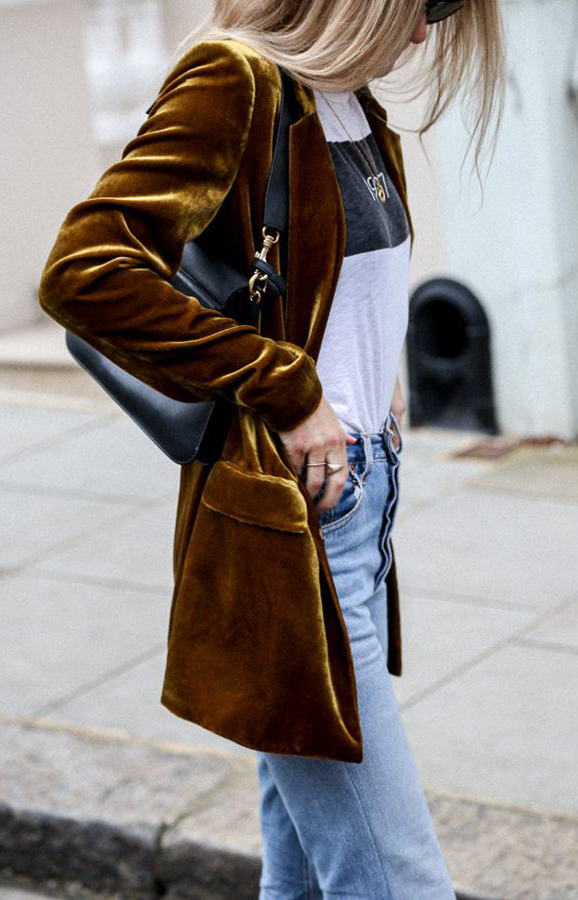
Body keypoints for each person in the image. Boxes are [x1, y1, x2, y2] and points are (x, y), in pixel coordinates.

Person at [39, 0, 505, 896]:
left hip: (360, 506)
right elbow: (86, 268)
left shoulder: (348, 102)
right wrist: (287, 385)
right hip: (296, 529)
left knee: (299, 870)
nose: (423, 34)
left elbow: (329, 282)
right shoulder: (237, 81)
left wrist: (376, 377)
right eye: (424, 7)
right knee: (396, 879)